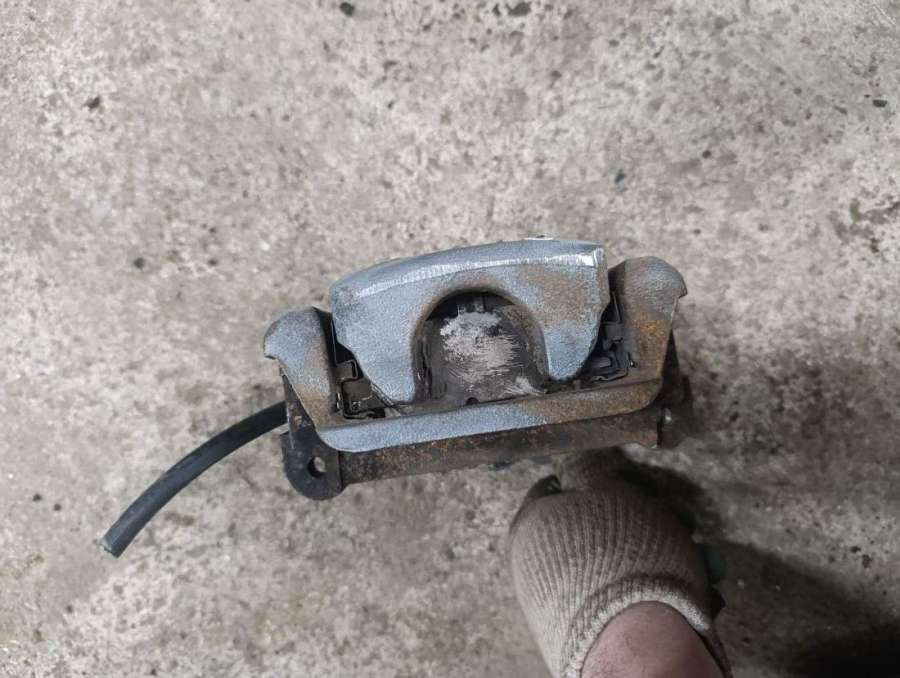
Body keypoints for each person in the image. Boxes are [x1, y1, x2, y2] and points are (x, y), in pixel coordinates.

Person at [509, 452, 730, 678]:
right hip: (564, 550)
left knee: (586, 465)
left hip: (559, 552)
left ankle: (582, 461)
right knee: (588, 465)